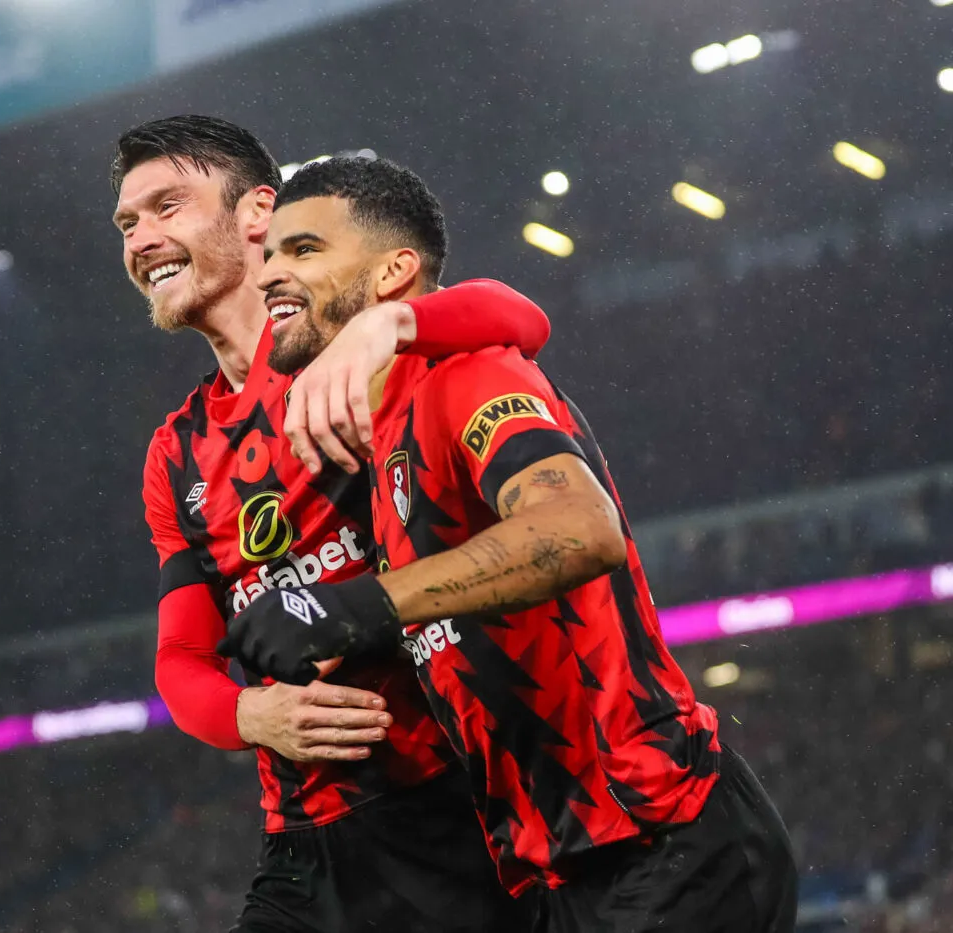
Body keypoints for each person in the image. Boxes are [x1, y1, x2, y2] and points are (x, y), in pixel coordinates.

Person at [220, 156, 799, 932]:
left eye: (303, 250)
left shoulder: (469, 374)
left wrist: (362, 605)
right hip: (551, 873)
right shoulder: (381, 434)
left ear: (394, 273)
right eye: (271, 254)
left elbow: (579, 528)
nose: (269, 276)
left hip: (663, 834)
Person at [113, 115, 548, 931]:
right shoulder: (175, 453)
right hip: (305, 847)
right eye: (128, 223)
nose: (142, 238)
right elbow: (181, 659)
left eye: (168, 206)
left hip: (455, 803)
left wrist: (388, 325)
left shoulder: (348, 339)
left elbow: (520, 318)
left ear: (258, 216)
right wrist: (250, 715)